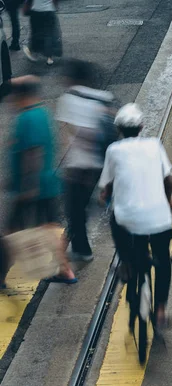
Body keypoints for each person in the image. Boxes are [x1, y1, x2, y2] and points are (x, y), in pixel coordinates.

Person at [98, 103, 172, 330]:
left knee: (115, 220)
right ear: (142, 126)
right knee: (163, 261)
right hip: (159, 217)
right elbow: (168, 179)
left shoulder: (113, 150)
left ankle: (126, 262)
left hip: (128, 219)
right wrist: (168, 200)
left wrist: (105, 194)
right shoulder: (155, 145)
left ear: (119, 129)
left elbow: (107, 186)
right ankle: (160, 310)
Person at [1, 75, 76, 287]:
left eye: (14, 96)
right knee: (51, 228)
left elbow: (33, 152)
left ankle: (0, 276)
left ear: (22, 96)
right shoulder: (43, 113)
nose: (10, 100)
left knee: (10, 232)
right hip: (48, 182)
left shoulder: (26, 118)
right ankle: (65, 271)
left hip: (32, 187)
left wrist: (27, 186)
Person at [56, 59, 117, 262]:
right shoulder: (103, 97)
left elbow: (69, 132)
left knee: (74, 209)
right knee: (83, 207)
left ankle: (80, 250)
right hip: (103, 162)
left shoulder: (68, 99)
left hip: (80, 165)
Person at [22, 0, 62, 65]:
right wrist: (55, 7)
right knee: (49, 34)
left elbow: (29, 1)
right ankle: (49, 58)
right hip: (49, 11)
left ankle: (34, 53)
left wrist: (25, 8)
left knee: (36, 33)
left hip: (36, 12)